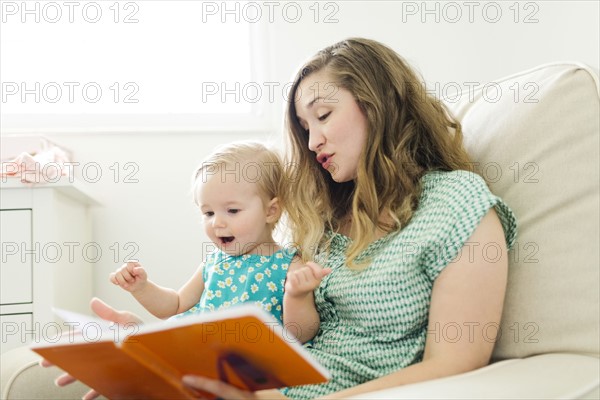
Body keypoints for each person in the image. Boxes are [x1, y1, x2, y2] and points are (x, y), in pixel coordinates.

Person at [48, 38, 517, 400]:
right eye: (304, 128)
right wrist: (153, 346)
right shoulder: (326, 221)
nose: (312, 142)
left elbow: (456, 361)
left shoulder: (456, 204)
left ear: (379, 105)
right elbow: (277, 332)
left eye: (324, 116)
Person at [109, 141, 330, 344]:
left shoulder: (290, 266)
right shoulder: (214, 262)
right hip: (202, 350)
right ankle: (140, 337)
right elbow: (175, 305)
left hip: (249, 360)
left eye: (232, 210)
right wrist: (142, 288)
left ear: (271, 211)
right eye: (208, 213)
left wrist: (297, 296)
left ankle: (141, 338)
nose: (217, 223)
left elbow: (299, 335)